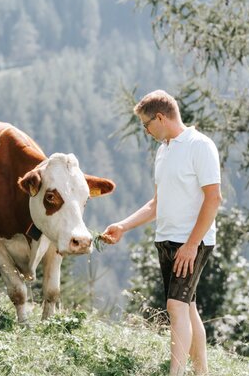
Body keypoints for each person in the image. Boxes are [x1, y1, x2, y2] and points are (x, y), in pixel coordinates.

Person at [103, 90, 222, 376]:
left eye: (146, 124)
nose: (146, 130)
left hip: (193, 241)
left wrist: (192, 244)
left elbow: (214, 198)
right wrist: (123, 225)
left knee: (175, 306)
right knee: (187, 307)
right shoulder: (163, 150)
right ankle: (201, 372)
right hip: (166, 239)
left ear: (160, 116)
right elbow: (156, 204)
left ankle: (175, 373)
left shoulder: (200, 146)